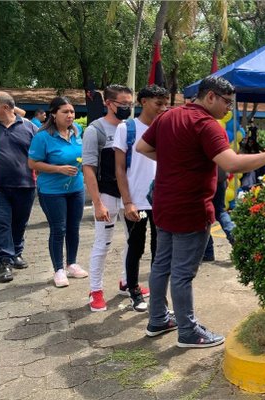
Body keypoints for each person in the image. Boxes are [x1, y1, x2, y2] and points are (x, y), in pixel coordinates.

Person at [136, 75, 265, 348]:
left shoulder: (168, 116)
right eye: (226, 103)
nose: (227, 110)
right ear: (210, 96)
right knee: (183, 273)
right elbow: (231, 164)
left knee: (161, 264)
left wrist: (178, 159)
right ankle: (188, 332)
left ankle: (158, 319)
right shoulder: (207, 125)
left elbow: (143, 147)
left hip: (164, 202)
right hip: (191, 206)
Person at [111, 84, 170, 312]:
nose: (162, 108)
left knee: (161, 250)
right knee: (136, 247)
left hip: (162, 200)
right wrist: (127, 201)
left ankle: (158, 295)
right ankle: (134, 291)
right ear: (143, 102)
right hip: (136, 200)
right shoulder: (127, 129)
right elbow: (119, 168)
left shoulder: (165, 127)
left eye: (165, 104)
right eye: (158, 103)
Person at [82, 84, 141, 310]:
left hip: (130, 196)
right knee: (102, 244)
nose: (127, 108)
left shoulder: (131, 128)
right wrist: (97, 203)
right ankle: (95, 290)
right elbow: (88, 168)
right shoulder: (95, 130)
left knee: (133, 241)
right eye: (122, 104)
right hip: (106, 195)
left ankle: (128, 281)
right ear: (108, 103)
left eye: (130, 104)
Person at [28, 97, 88, 287]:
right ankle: (59, 269)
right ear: (53, 114)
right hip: (52, 191)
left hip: (76, 188)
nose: (70, 115)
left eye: (72, 111)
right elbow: (32, 163)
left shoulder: (77, 132)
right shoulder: (43, 137)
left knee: (73, 227)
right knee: (58, 229)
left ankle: (72, 263)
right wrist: (59, 169)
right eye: (65, 112)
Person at [0, 91, 38, 283]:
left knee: (19, 222)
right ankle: (4, 260)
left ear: (4, 107)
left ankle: (16, 253)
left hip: (25, 183)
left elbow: (41, 150)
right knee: (1, 222)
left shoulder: (29, 127)